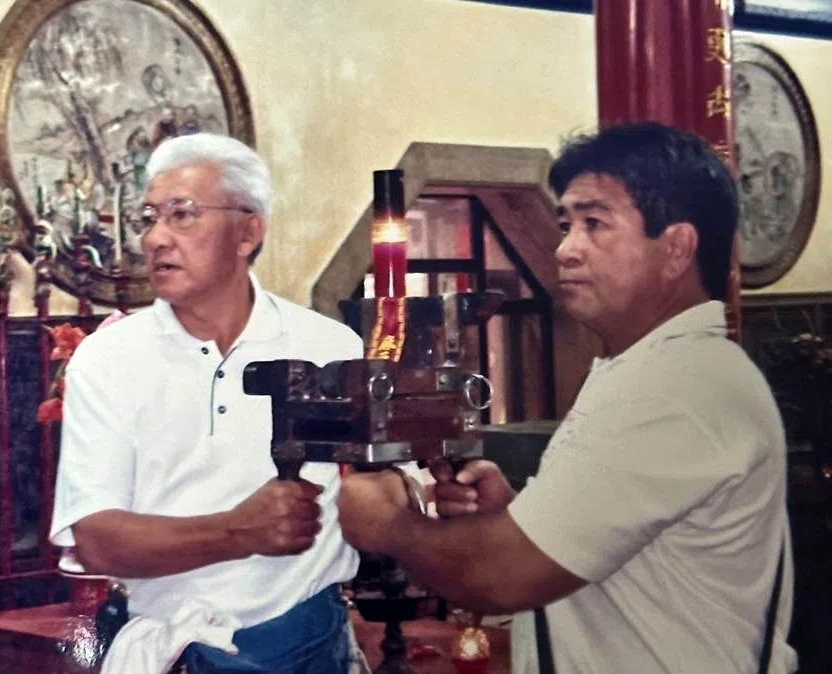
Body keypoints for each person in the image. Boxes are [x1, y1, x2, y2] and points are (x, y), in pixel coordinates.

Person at [337, 122, 797, 673]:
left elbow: (501, 576)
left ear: (676, 248)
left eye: (594, 224)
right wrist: (517, 516)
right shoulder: (640, 367)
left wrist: (389, 524)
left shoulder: (678, 386)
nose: (565, 250)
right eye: (565, 225)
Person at [50, 132, 366, 673]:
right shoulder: (107, 360)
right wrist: (239, 530)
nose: (155, 238)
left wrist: (430, 498)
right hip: (171, 650)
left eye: (182, 215)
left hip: (309, 646)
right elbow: (97, 540)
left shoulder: (328, 347)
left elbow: (384, 491)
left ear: (248, 232)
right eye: (149, 218)